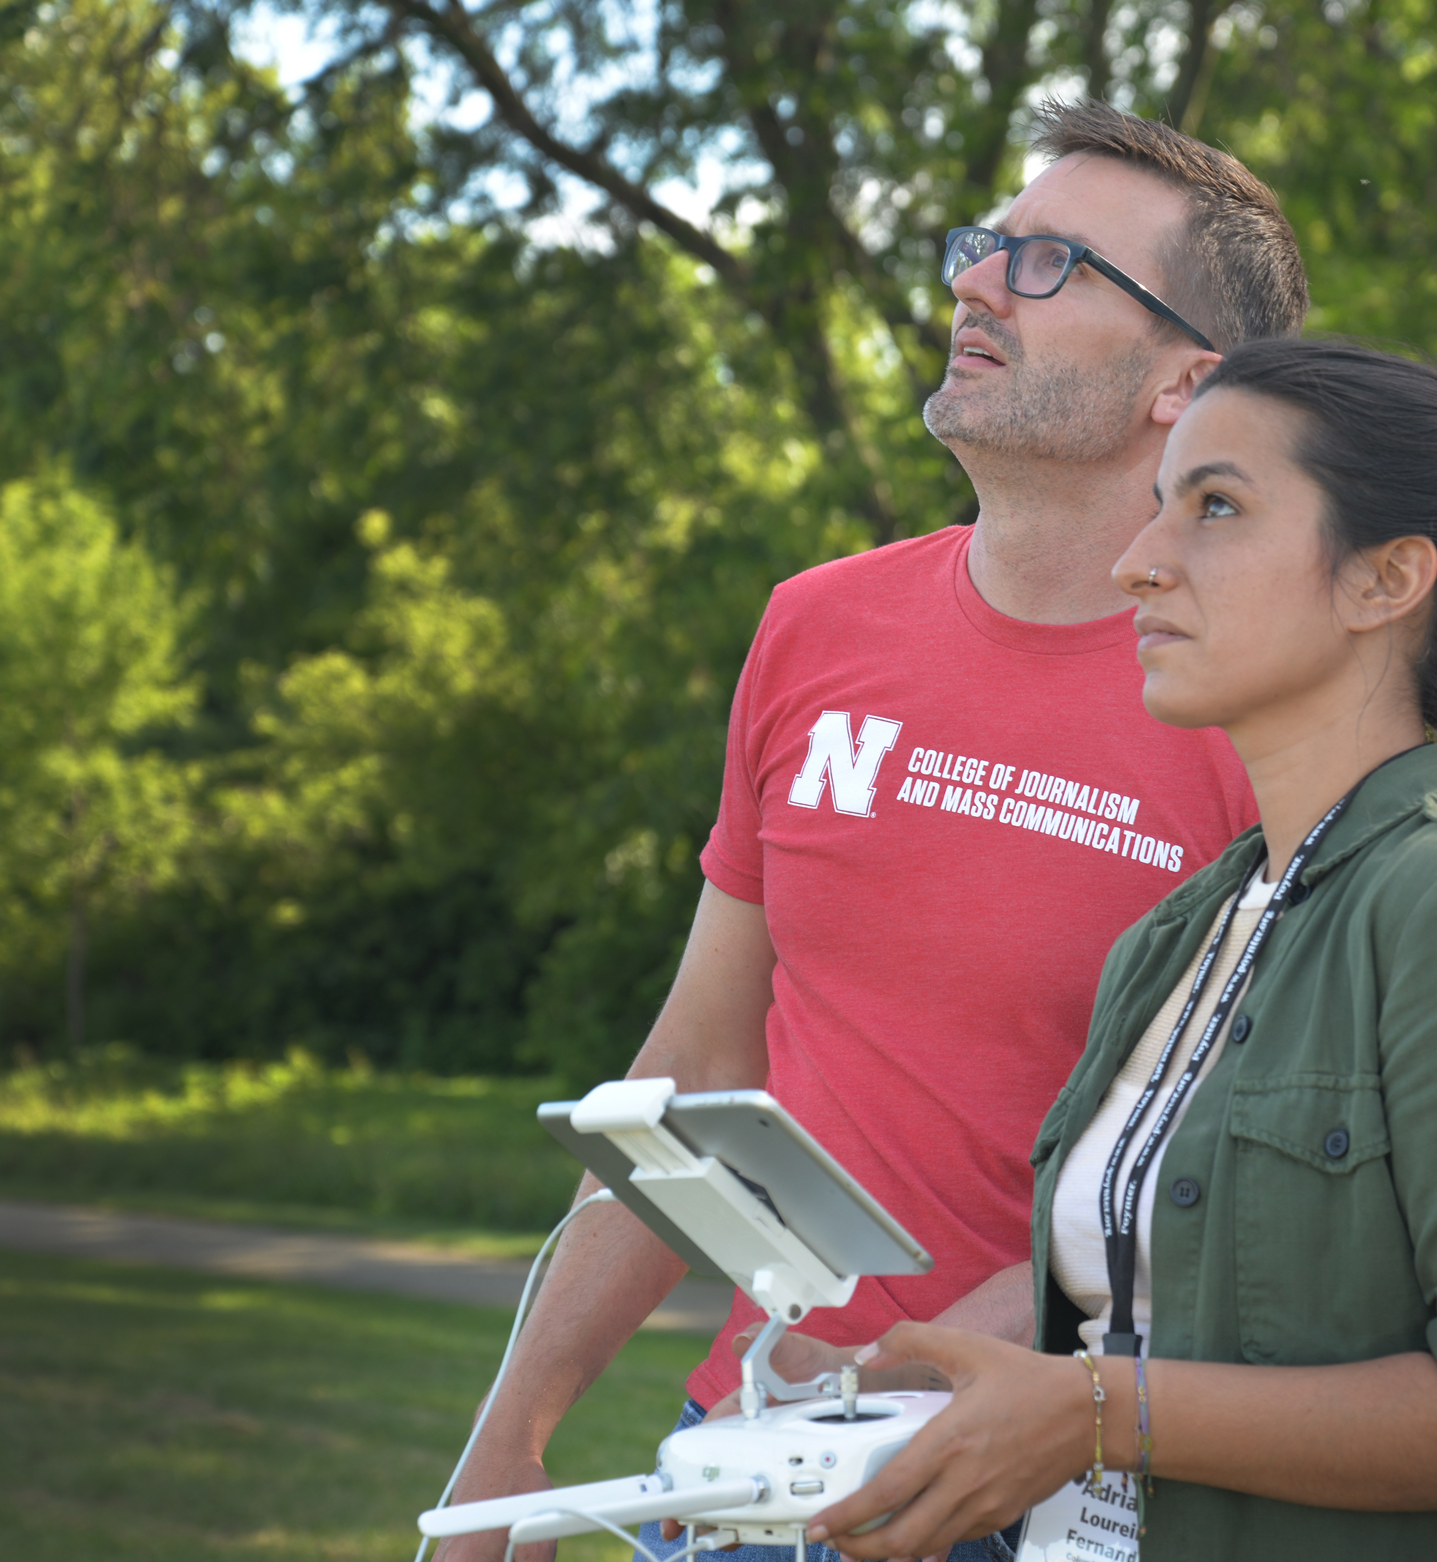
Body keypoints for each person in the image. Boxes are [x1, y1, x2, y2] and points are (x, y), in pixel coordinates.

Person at [433, 101, 1308, 1562]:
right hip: (748, 1476)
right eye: (985, 249)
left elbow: (1216, 1195)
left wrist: (862, 1407)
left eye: (1048, 266)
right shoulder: (814, 624)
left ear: (1186, 380)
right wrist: (506, 1435)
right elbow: (694, 1070)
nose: (971, 284)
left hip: (1041, 1503)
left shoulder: (1261, 710)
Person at [803, 337, 1437, 1560]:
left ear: (1382, 578)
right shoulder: (1175, 939)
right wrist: (923, 1404)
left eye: (1214, 506)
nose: (1138, 561)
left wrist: (1094, 1417)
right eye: (1157, 505)